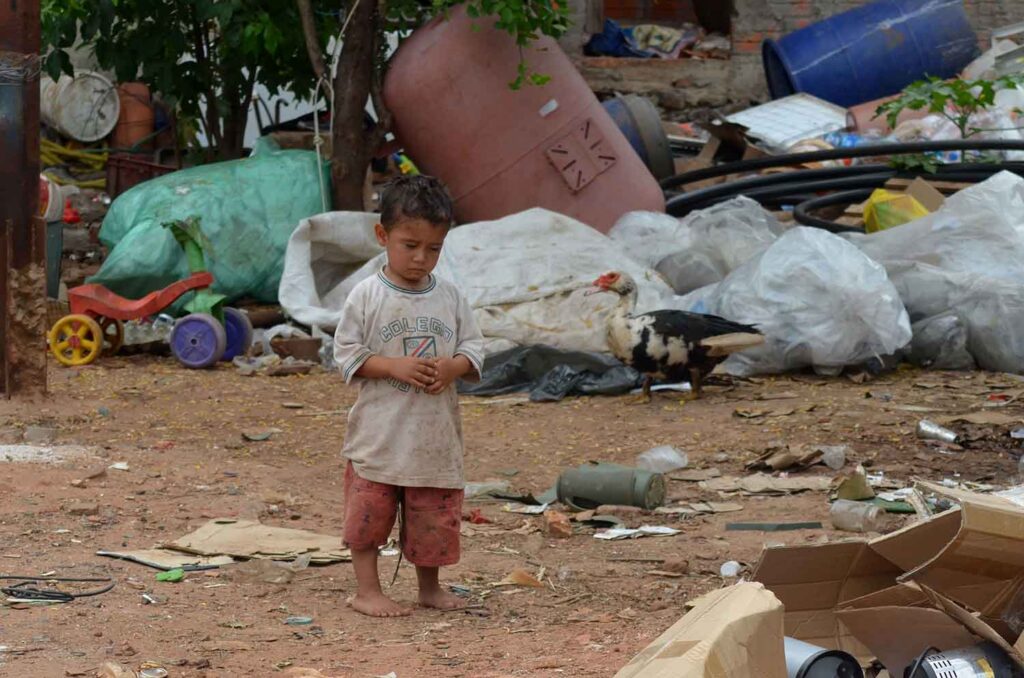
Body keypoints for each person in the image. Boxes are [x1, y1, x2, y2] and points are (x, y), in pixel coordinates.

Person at [333, 175, 484, 617]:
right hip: (379, 436)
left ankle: (429, 589)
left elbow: (474, 347)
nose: (421, 258)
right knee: (369, 514)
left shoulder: (450, 297)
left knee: (431, 517)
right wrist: (391, 366)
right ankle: (367, 591)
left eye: (433, 248)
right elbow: (346, 353)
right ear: (383, 236)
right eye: (410, 245)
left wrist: (453, 367)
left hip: (432, 439)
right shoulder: (367, 295)